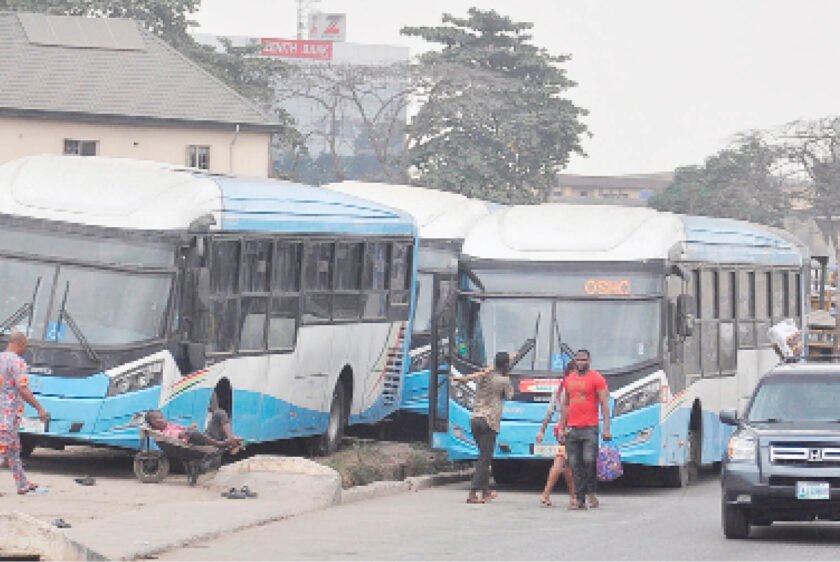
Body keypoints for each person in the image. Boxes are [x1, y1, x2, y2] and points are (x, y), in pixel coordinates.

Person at [452, 350, 516, 504]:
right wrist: (508, 378)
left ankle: (486, 491)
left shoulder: (483, 376)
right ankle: (473, 493)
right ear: (506, 365)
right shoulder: (503, 380)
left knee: (483, 456)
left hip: (475, 419)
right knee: (485, 458)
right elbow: (510, 395)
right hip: (489, 421)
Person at [558, 349, 611, 510]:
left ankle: (592, 492)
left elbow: (604, 404)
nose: (580, 362)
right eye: (578, 359)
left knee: (589, 461)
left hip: (590, 428)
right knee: (574, 465)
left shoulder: (597, 379)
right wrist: (562, 427)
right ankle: (579, 499)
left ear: (589, 361)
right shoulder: (568, 380)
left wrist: (607, 428)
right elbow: (566, 405)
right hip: (572, 429)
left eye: (584, 359)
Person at [0, 332, 50, 495]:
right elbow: (22, 388)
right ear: (20, 344)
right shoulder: (18, 362)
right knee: (2, 450)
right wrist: (39, 408)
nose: (25, 350)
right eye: (25, 347)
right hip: (8, 415)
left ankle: (23, 485)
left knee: (14, 451)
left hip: (5, 415)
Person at [535, 362, 576, 508]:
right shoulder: (570, 389)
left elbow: (549, 412)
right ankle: (547, 494)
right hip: (570, 429)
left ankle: (572, 497)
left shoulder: (559, 389)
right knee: (561, 463)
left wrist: (542, 430)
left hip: (561, 429)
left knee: (566, 465)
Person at [145, 409, 243, 451]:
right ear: (152, 424)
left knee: (219, 413)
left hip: (206, 438)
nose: (160, 420)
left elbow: (186, 431)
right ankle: (223, 444)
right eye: (156, 419)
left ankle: (231, 438)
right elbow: (180, 435)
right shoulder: (163, 433)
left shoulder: (170, 425)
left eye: (161, 417)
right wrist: (187, 432)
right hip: (197, 443)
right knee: (192, 433)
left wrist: (190, 428)